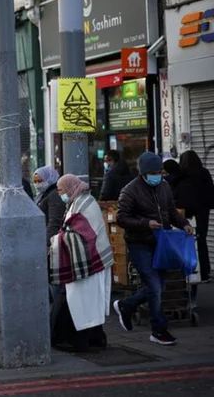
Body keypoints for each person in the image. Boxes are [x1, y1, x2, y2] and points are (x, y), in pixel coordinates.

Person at [114, 151, 194, 346]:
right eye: (155, 172)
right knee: (155, 286)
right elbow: (121, 217)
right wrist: (145, 223)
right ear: (144, 173)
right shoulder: (130, 190)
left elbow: (171, 211)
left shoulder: (164, 186)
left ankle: (127, 305)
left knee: (159, 286)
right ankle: (159, 330)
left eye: (160, 172)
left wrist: (184, 224)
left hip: (161, 243)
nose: (158, 176)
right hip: (139, 243)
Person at [50, 175, 112, 351]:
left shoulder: (84, 203)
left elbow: (82, 232)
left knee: (84, 302)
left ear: (70, 188)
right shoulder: (78, 201)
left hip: (92, 262)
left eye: (61, 190)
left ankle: (84, 340)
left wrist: (56, 240)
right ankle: (93, 339)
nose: (59, 194)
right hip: (90, 262)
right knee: (87, 303)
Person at [173, 150, 214, 284]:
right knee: (201, 241)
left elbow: (177, 196)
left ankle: (189, 271)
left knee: (187, 243)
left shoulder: (181, 176)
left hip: (187, 214)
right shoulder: (204, 173)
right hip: (202, 213)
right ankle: (205, 271)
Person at [33, 166, 66, 241]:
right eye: (35, 182)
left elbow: (54, 221)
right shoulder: (42, 195)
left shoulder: (54, 195)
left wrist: (48, 243)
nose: (37, 184)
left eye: (40, 181)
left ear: (49, 178)